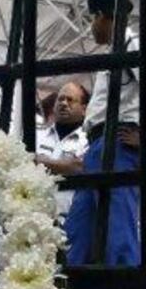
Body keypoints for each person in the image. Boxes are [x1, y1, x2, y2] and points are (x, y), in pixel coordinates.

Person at [65, 0, 146, 266]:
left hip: (118, 142)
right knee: (79, 228)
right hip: (99, 145)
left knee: (117, 225)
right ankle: (73, 286)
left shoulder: (133, 44)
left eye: (91, 19)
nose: (91, 28)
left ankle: (124, 288)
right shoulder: (116, 51)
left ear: (102, 17)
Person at [35, 81, 90, 215]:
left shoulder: (89, 140)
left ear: (84, 109)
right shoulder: (37, 136)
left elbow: (80, 167)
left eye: (70, 100)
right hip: (35, 217)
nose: (64, 103)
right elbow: (24, 162)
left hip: (70, 219)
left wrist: (40, 161)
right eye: (60, 99)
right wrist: (65, 166)